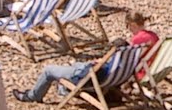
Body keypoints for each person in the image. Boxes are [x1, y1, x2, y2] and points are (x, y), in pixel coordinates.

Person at [14, 10, 159, 103]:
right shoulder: (152, 37)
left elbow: (113, 62)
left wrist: (100, 62)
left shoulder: (133, 44)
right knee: (76, 65)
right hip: (120, 76)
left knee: (48, 71)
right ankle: (64, 87)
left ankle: (32, 96)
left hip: (99, 77)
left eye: (128, 27)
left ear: (132, 24)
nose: (129, 30)